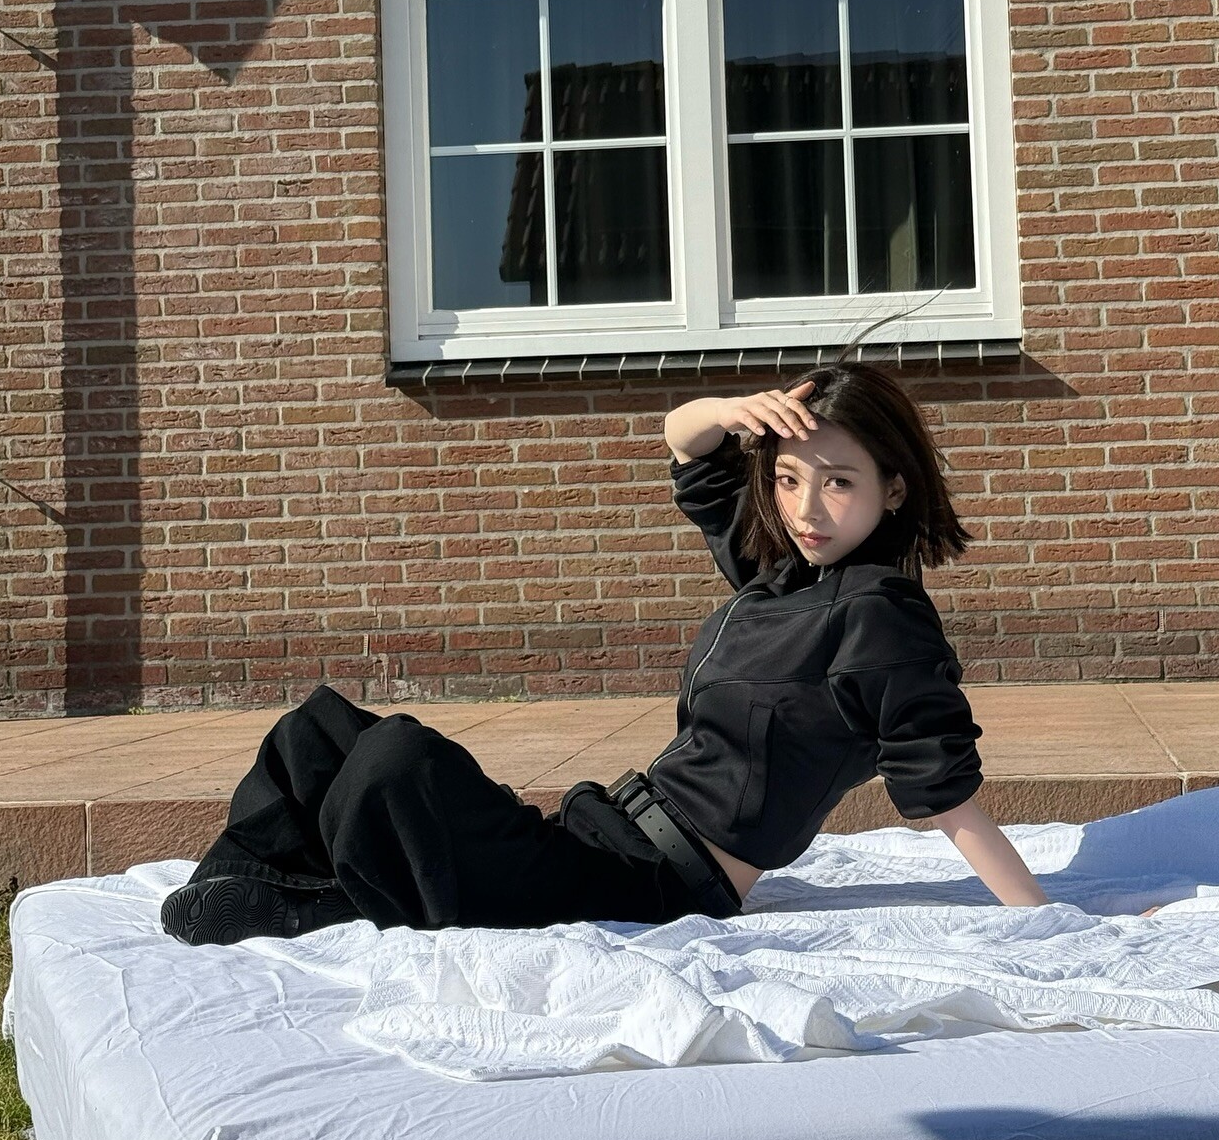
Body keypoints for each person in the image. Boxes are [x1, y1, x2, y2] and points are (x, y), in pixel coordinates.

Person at [161, 363, 1057, 946]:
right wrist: (730, 410)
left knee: (397, 760)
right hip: (597, 839)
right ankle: (251, 889)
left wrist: (1046, 922)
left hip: (653, 888)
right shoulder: (781, 576)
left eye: (839, 482)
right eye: (789, 478)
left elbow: (945, 793)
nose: (806, 509)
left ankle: (322, 901)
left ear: (894, 490)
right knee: (317, 730)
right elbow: (687, 444)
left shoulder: (882, 617)